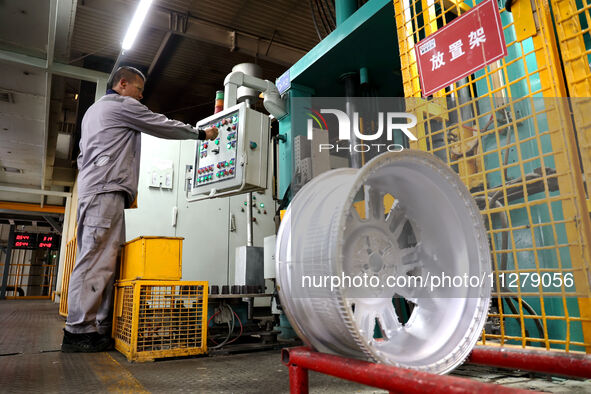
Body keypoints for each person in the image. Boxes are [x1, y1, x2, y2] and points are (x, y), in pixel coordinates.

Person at [61, 66, 217, 352]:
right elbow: (161, 124)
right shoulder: (121, 105)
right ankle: (77, 331)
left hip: (99, 189)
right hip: (105, 190)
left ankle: (95, 328)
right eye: (138, 89)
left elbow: (84, 155)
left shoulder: (94, 112)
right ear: (122, 84)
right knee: (96, 259)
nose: (141, 96)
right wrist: (201, 134)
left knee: (104, 260)